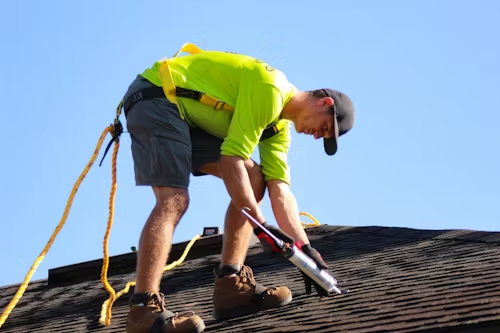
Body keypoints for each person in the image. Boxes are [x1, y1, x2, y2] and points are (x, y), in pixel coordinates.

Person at [121, 43, 355, 333]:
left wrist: (305, 249)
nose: (319, 136)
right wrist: (261, 225)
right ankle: (143, 310)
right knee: (174, 199)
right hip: (158, 96)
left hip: (188, 116)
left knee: (255, 178)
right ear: (325, 104)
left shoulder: (278, 129)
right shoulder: (270, 89)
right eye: (325, 128)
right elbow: (231, 160)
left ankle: (231, 287)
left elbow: (280, 191)